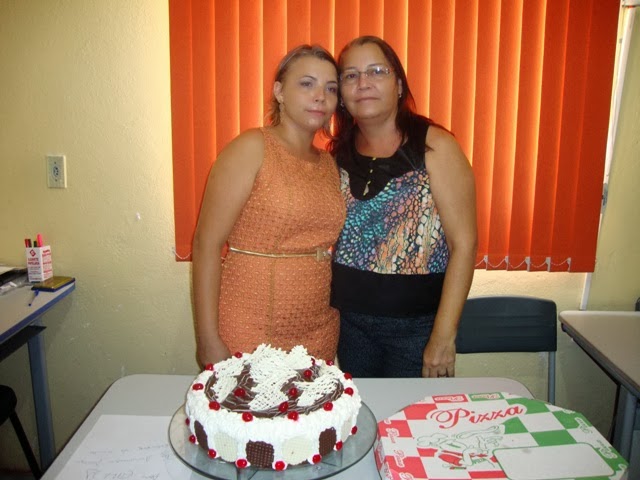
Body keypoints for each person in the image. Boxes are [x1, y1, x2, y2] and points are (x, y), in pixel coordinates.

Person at [329, 36, 477, 378]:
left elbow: (464, 244)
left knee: (412, 412)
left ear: (398, 85)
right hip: (349, 324)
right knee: (363, 409)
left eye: (376, 71)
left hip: (417, 329)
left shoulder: (435, 147)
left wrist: (443, 336)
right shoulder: (337, 154)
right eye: (351, 75)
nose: (363, 82)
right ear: (341, 94)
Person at [192, 45, 345, 368]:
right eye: (307, 84)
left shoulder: (329, 164)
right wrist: (207, 339)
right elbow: (207, 244)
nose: (321, 96)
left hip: (317, 327)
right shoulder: (251, 147)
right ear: (279, 92)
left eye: (331, 88)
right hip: (250, 323)